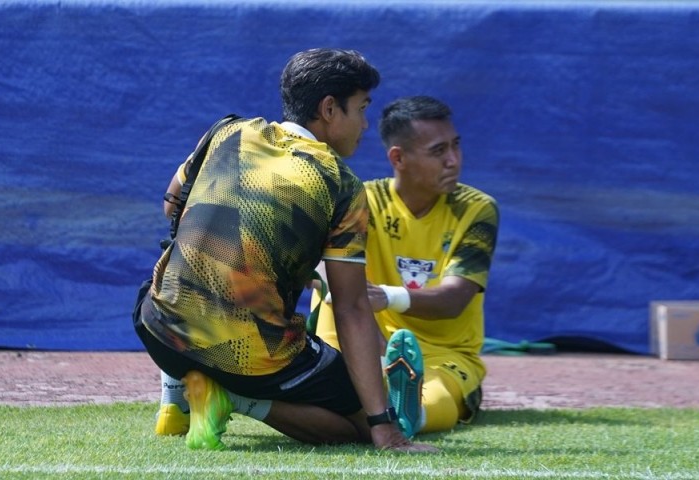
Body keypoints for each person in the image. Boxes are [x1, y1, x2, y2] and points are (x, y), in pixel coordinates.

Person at [134, 48, 436, 453]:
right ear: (330, 109)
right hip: (245, 353)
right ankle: (232, 397)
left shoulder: (228, 130)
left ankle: (178, 383)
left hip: (155, 324)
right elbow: (350, 309)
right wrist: (382, 426)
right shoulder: (340, 183)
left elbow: (172, 204)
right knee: (360, 423)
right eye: (362, 109)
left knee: (178, 280)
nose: (365, 124)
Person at [313, 95, 499, 438]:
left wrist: (387, 297)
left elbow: (455, 298)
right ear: (398, 158)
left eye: (455, 147)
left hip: (444, 355)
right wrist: (370, 335)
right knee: (329, 287)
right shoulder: (361, 201)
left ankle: (403, 414)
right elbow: (322, 271)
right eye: (438, 151)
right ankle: (359, 383)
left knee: (439, 398)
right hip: (366, 345)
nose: (453, 161)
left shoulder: (477, 210)